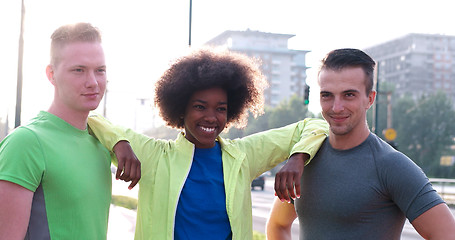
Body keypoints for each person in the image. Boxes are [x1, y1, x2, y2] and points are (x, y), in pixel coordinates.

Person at [87, 47, 329, 240]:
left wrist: (298, 158)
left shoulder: (244, 155)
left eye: (220, 109)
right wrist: (120, 142)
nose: (211, 117)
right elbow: (90, 118)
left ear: (231, 111)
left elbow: (316, 125)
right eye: (200, 107)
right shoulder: (155, 156)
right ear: (181, 109)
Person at [266, 48, 455, 240]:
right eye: (327, 95)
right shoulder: (304, 158)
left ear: (370, 99)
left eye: (349, 95)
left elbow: (447, 234)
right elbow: (278, 225)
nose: (336, 107)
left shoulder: (391, 166)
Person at [0, 22, 141, 240]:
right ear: (51, 74)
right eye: (79, 70)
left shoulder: (101, 142)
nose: (93, 82)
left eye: (100, 70)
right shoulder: (26, 142)